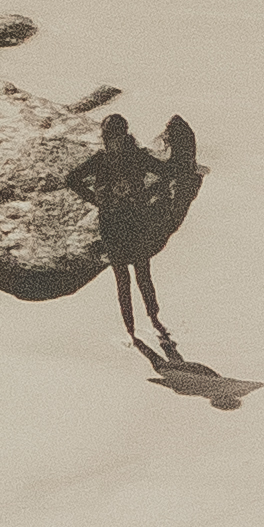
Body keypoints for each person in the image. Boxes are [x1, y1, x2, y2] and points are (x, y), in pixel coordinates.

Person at [98, 111, 203, 361]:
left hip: (124, 225)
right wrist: (97, 198)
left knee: (140, 275)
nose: (109, 141)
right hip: (121, 226)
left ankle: (152, 320)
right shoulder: (115, 159)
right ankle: (133, 329)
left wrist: (101, 198)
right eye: (109, 137)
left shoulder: (123, 158)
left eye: (111, 136)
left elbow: (164, 172)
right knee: (126, 278)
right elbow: (73, 180)